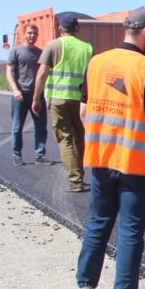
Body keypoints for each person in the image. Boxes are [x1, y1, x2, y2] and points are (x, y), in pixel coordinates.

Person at [76, 6, 145, 289]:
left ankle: (86, 285)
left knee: (98, 222)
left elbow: (83, 110)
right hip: (135, 163)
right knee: (131, 229)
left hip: (100, 159)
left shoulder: (97, 63)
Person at [33, 13, 93, 192]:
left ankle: (75, 181)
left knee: (64, 139)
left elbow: (42, 73)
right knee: (79, 138)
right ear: (77, 29)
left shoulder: (53, 45)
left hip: (58, 98)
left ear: (60, 29)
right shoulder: (87, 48)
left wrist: (36, 98)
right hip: (80, 99)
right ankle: (79, 174)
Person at [6, 23, 48, 165]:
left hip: (36, 95)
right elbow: (9, 72)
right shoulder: (16, 51)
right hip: (20, 96)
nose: (32, 36)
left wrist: (40, 93)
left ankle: (40, 154)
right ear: (24, 34)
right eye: (30, 33)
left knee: (41, 126)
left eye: (35, 33)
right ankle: (17, 155)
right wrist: (15, 89)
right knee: (17, 127)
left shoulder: (40, 53)